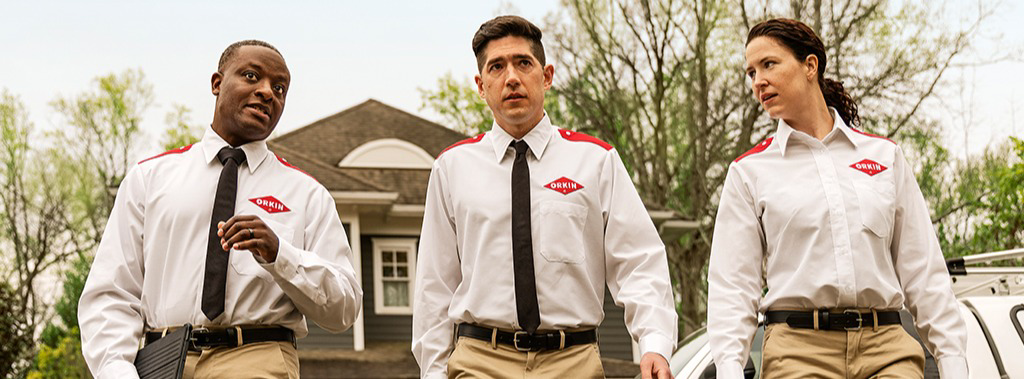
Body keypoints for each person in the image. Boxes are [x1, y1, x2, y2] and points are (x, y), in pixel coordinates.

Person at [411, 15, 677, 379]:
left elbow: (638, 262)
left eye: (523, 63)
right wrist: (433, 370)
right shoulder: (451, 168)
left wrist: (655, 344)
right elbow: (434, 284)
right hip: (479, 361)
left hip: (573, 361)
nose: (512, 78)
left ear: (547, 75)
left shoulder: (596, 161)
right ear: (481, 85)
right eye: (497, 67)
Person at [78, 40, 362, 379]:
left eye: (280, 87)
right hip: (162, 361)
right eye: (252, 76)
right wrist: (116, 371)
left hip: (258, 359)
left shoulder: (307, 194)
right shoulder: (150, 179)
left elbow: (344, 309)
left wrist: (280, 255)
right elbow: (112, 292)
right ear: (217, 83)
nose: (267, 92)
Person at [706, 18, 968, 378]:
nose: (758, 81)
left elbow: (923, 270)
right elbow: (733, 286)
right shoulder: (748, 171)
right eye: (751, 73)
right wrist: (729, 368)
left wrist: (954, 360)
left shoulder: (884, 156)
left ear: (810, 66)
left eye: (769, 64)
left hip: (887, 348)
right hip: (797, 354)